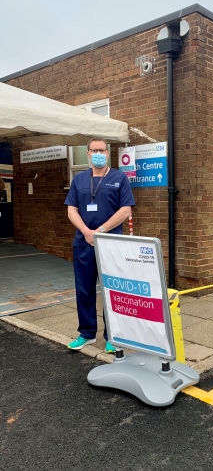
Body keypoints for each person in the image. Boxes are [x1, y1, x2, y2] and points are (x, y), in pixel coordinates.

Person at [64, 137, 135, 353]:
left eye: (102, 150)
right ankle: (86, 333)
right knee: (84, 290)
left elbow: (125, 210)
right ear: (87, 154)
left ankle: (112, 336)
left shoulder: (119, 178)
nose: (98, 153)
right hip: (84, 243)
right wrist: (87, 232)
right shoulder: (79, 180)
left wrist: (100, 231)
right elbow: (71, 209)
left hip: (110, 243)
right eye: (94, 150)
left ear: (108, 153)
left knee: (111, 290)